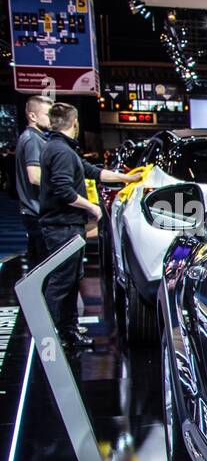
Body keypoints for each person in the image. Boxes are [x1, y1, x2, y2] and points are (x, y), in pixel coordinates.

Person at [38, 102, 141, 350]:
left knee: (71, 280)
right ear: (74, 123)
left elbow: (93, 172)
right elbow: (63, 189)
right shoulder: (61, 152)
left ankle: (68, 332)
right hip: (62, 226)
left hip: (65, 226)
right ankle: (50, 337)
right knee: (63, 282)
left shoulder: (60, 148)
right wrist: (92, 208)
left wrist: (127, 178)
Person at [15, 95, 51, 271]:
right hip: (36, 210)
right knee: (43, 268)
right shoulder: (33, 139)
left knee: (38, 265)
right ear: (32, 116)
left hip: (32, 210)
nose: (50, 119)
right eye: (47, 114)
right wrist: (63, 187)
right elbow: (35, 177)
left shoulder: (31, 137)